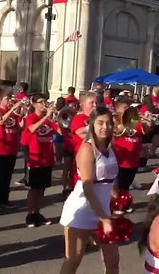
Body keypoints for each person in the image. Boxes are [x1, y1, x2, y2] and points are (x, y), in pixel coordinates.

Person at [59, 107, 119, 274]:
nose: (105, 127)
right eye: (100, 123)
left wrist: (118, 198)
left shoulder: (111, 148)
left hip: (103, 210)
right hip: (83, 209)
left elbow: (108, 180)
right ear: (92, 125)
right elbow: (88, 187)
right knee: (73, 260)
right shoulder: (87, 149)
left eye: (108, 123)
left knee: (113, 261)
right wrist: (104, 218)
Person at [24, 94, 62, 227]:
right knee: (34, 188)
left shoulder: (48, 120)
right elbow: (32, 128)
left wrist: (57, 117)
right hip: (36, 157)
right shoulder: (31, 117)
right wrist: (46, 116)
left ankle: (37, 213)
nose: (43, 104)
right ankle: (30, 214)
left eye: (44, 102)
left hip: (47, 158)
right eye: (40, 102)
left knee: (42, 189)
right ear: (34, 104)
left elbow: (60, 131)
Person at [0, 87, 23, 209]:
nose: (10, 100)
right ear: (1, 100)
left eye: (10, 98)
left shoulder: (13, 113)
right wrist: (12, 110)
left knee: (7, 176)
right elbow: (0, 122)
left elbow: (19, 128)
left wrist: (23, 115)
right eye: (7, 98)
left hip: (12, 148)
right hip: (0, 149)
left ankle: (5, 199)